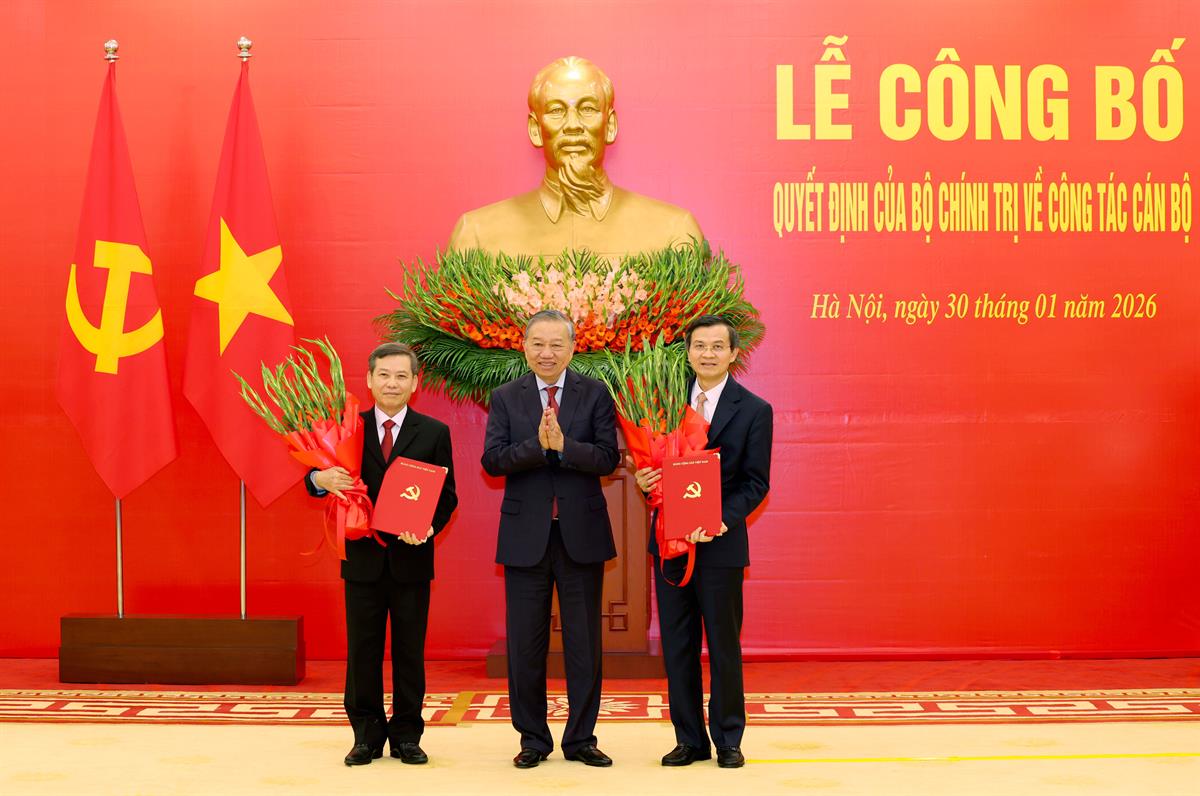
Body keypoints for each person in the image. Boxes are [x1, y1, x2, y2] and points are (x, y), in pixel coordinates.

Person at [481, 309, 620, 768]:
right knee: (525, 644)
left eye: (557, 344)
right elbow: (493, 461)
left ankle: (581, 739)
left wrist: (565, 447)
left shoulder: (595, 393)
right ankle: (532, 739)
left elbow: (607, 458)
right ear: (524, 347)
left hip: (581, 535)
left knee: (584, 644)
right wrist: (538, 448)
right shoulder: (506, 397)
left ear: (572, 348)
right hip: (526, 537)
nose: (547, 352)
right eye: (538, 344)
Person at [308, 342, 458, 767]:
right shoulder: (346, 429)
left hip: (411, 559)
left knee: (410, 651)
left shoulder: (434, 432)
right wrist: (320, 478)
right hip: (362, 560)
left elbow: (447, 495)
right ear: (370, 380)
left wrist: (429, 527)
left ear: (415, 384)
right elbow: (313, 478)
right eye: (384, 375)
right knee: (363, 651)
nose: (393, 383)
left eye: (401, 376)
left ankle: (407, 736)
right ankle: (366, 735)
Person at [633, 315, 772, 768]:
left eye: (717, 346)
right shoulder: (664, 403)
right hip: (670, 542)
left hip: (720, 545)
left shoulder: (754, 410)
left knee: (724, 645)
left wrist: (719, 520)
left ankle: (729, 738)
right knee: (678, 645)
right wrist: (645, 480)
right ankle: (689, 739)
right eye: (699, 346)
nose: (707, 354)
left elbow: (755, 483)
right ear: (688, 352)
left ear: (733, 353)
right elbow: (655, 465)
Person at [447, 55, 702, 258]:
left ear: (610, 125)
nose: (572, 125)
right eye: (556, 110)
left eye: (587, 109)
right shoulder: (476, 236)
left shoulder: (674, 233)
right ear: (535, 129)